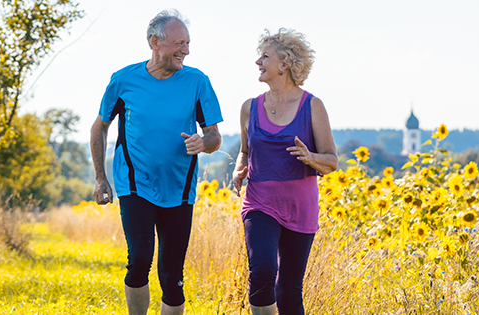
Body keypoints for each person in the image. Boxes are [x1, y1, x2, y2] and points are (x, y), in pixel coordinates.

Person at [90, 9, 222, 315]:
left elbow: (215, 137)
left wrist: (204, 143)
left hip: (180, 188)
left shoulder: (197, 82)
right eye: (179, 43)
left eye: (188, 44)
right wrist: (101, 177)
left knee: (172, 276)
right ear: (155, 42)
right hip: (134, 184)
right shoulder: (123, 80)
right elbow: (100, 126)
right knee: (139, 260)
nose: (186, 51)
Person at [232, 28, 338, 315]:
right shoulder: (249, 108)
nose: (258, 62)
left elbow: (331, 162)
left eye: (265, 56)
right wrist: (239, 170)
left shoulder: (312, 106)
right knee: (263, 272)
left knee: (289, 290)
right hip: (259, 203)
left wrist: (310, 156)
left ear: (285, 64)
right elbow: (245, 150)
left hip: (299, 208)